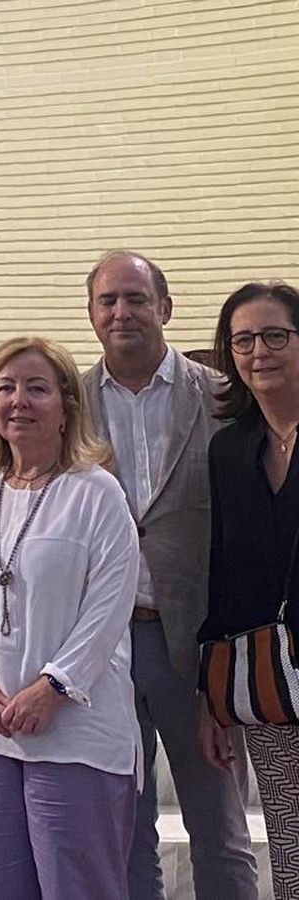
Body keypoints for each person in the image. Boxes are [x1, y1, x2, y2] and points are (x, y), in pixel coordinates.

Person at [80, 252, 258, 899]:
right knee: (123, 830)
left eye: (135, 298)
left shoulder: (224, 398)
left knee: (220, 828)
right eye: (108, 301)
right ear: (92, 313)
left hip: (195, 644)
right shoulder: (65, 401)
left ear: (165, 307)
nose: (121, 312)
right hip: (100, 645)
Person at [0, 336, 141, 898]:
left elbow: (108, 608)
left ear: (66, 405)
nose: (18, 400)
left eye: (36, 388)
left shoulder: (96, 495)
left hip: (75, 729)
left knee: (79, 887)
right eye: (5, 388)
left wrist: (53, 687)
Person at [199, 281, 299, 895]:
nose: (258, 351)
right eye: (243, 340)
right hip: (270, 678)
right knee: (290, 849)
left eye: (276, 336)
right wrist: (214, 695)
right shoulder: (231, 448)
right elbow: (225, 570)